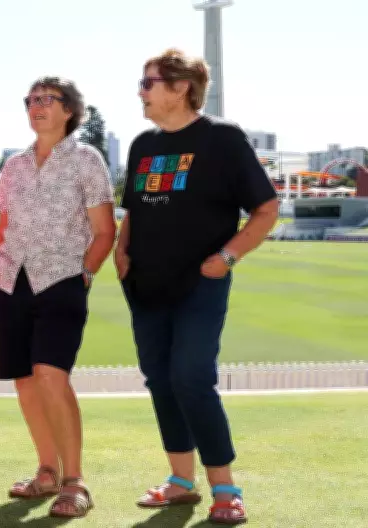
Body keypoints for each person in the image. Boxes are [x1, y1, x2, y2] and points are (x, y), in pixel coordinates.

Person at [116, 48, 278, 525]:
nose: (140, 93)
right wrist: (121, 252)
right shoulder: (142, 144)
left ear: (181, 86)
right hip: (144, 285)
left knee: (191, 376)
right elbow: (135, 210)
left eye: (147, 83)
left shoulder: (223, 139)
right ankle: (181, 482)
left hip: (199, 285)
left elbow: (265, 209)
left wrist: (229, 257)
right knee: (161, 381)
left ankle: (225, 487)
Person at [0, 77, 117, 519]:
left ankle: (74, 481)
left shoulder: (86, 159)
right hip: (8, 282)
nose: (37, 106)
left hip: (61, 279)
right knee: (24, 380)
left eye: (47, 99)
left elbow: (104, 232)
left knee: (51, 376)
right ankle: (46, 471)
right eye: (31, 100)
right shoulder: (15, 165)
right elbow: (3, 228)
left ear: (69, 111)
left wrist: (84, 276)